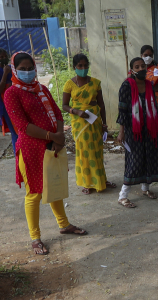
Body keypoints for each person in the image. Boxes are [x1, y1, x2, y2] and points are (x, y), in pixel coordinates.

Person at [3, 52, 87, 255]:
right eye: (21, 69)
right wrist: (53, 136)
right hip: (31, 148)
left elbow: (57, 113)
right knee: (34, 193)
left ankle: (64, 225)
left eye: (29, 67)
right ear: (14, 70)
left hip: (52, 145)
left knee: (54, 186)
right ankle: (35, 237)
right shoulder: (12, 93)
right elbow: (22, 126)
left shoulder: (41, 89)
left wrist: (58, 137)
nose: (26, 72)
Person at [62, 53, 115, 195]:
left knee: (97, 152)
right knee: (84, 153)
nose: (83, 68)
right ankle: (87, 183)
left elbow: (101, 105)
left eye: (86, 65)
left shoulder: (95, 83)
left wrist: (104, 123)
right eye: (80, 65)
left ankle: (101, 180)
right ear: (74, 67)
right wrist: (77, 111)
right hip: (80, 124)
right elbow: (64, 106)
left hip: (94, 122)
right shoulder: (69, 84)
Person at [116, 57, 158, 208]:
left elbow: (155, 109)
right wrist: (121, 132)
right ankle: (123, 195)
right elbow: (122, 110)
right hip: (133, 130)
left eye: (143, 66)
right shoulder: (126, 86)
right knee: (134, 160)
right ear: (132, 70)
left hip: (150, 129)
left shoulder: (150, 85)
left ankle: (145, 189)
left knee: (149, 156)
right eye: (137, 66)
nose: (141, 69)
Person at [139, 45, 158, 159]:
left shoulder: (157, 69)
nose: (148, 57)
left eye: (150, 55)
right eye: (145, 55)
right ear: (141, 55)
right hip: (141, 98)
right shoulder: (137, 68)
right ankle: (144, 150)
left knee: (156, 122)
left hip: (155, 97)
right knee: (142, 122)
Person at [0, 47, 18, 152]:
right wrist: (5, 73)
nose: (4, 58)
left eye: (5, 56)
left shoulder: (11, 67)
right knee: (14, 132)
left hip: (15, 101)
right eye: (1, 57)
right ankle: (17, 155)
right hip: (5, 105)